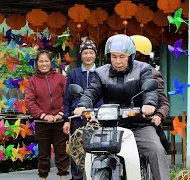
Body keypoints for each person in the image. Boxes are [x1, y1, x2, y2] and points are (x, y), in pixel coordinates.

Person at [74, 34, 170, 180]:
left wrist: (149, 105)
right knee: (90, 154)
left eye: (122, 57)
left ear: (130, 56)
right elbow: (91, 92)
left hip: (139, 125)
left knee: (156, 151)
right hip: (110, 126)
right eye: (114, 57)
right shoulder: (100, 73)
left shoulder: (144, 69)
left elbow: (150, 91)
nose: (118, 61)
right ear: (108, 56)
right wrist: (82, 105)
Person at [25, 50, 69, 180]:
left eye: (46, 61)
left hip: (59, 123)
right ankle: (43, 177)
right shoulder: (32, 81)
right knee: (43, 154)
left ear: (51, 62)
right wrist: (44, 116)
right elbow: (29, 101)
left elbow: (67, 97)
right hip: (42, 124)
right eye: (41, 61)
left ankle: (63, 178)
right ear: (37, 63)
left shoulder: (60, 78)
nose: (44, 64)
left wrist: (61, 113)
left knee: (61, 153)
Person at [63, 39, 103, 180]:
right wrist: (66, 119)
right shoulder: (73, 74)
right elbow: (67, 98)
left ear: (95, 55)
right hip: (77, 119)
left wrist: (99, 114)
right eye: (85, 53)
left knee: (99, 151)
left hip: (96, 118)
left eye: (91, 52)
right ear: (81, 55)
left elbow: (105, 97)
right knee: (77, 153)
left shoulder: (101, 73)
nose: (88, 56)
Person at [131, 35, 170, 151]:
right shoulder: (118, 72)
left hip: (144, 123)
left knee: (157, 151)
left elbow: (164, 103)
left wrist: (158, 115)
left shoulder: (153, 74)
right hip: (121, 122)